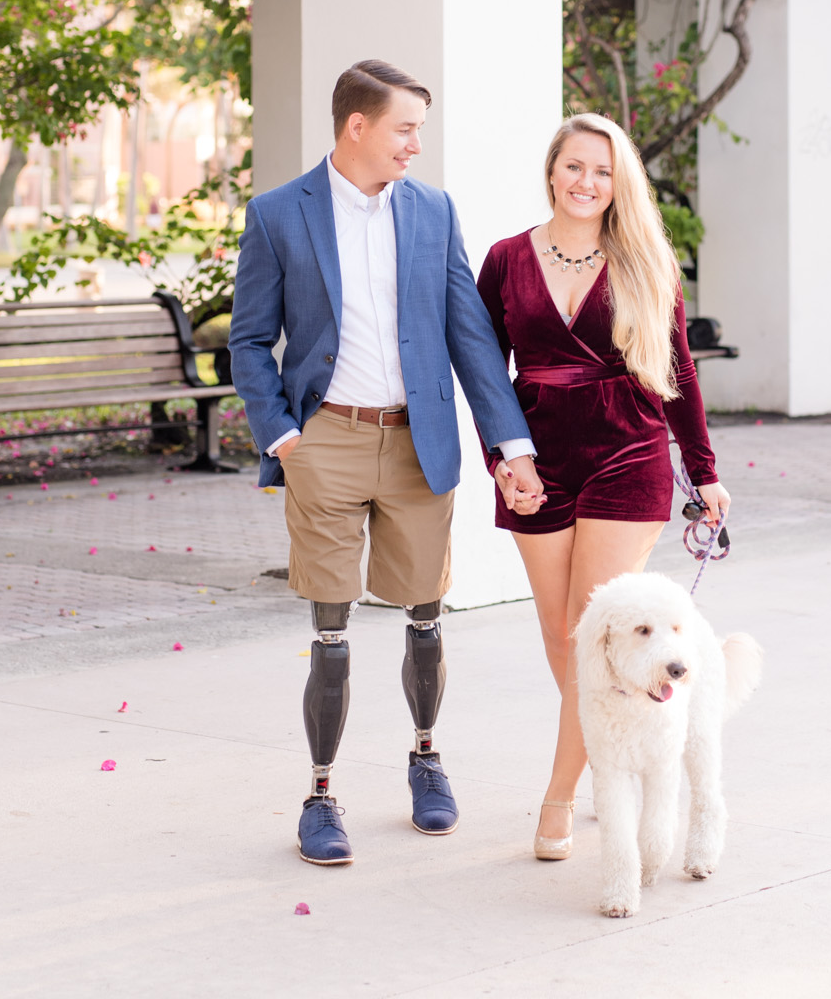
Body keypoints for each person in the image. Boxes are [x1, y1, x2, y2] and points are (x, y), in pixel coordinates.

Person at [229, 59, 545, 866]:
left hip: (418, 442)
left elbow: (469, 335)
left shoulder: (433, 212)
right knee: (330, 625)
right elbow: (249, 340)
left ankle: (426, 759)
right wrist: (282, 436)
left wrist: (510, 446)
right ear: (357, 126)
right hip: (324, 441)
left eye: (419, 131)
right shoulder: (276, 215)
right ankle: (321, 794)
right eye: (404, 128)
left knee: (423, 615)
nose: (414, 145)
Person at [475, 113, 730, 863]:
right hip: (536, 456)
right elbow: (486, 371)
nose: (586, 182)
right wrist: (501, 457)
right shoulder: (505, 259)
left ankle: (558, 798)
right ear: (552, 170)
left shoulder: (644, 260)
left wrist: (704, 470)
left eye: (603, 170)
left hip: (628, 447)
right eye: (574, 166)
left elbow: (678, 369)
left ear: (620, 183)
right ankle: (613, 758)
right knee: (565, 638)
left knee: (596, 632)